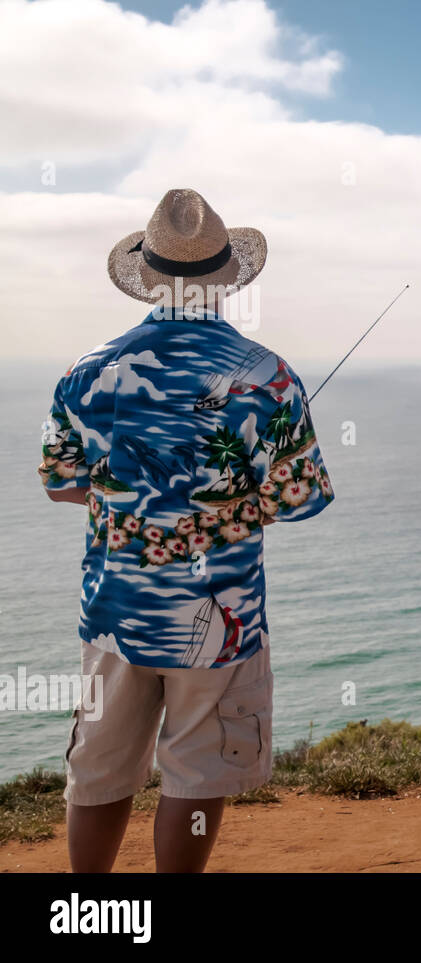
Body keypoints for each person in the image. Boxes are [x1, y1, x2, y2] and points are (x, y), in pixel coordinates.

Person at [38, 188, 334, 872]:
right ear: (227, 279)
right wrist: (229, 505)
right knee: (197, 770)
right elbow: (296, 500)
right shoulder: (270, 377)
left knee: (101, 762)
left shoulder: (86, 371)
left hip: (114, 609)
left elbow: (60, 480)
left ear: (148, 275)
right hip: (222, 613)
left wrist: (129, 503)